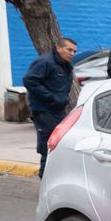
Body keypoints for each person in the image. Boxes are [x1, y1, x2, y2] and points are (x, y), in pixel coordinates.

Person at [23, 37, 77, 178]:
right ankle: (45, 178)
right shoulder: (45, 62)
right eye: (69, 49)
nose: (72, 53)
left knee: (60, 143)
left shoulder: (65, 65)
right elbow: (30, 80)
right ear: (58, 48)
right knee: (49, 145)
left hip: (58, 110)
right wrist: (51, 98)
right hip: (44, 110)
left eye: (74, 51)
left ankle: (55, 177)